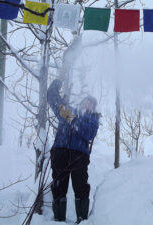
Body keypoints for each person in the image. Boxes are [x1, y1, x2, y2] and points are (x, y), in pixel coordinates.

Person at [47, 79, 100, 223]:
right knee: (59, 186)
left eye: (92, 103)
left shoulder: (93, 119)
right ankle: (58, 219)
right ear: (82, 103)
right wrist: (54, 88)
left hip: (79, 156)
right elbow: (53, 101)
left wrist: (73, 120)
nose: (88, 104)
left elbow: (88, 133)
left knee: (81, 187)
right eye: (86, 101)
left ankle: (82, 220)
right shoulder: (70, 111)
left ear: (94, 107)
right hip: (60, 151)